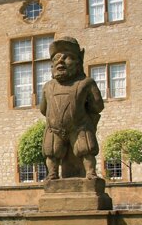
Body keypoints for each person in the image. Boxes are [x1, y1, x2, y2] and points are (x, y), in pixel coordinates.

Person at [38, 36, 105, 180]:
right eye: (56, 59)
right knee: (51, 151)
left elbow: (97, 106)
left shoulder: (85, 83)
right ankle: (52, 174)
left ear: (78, 63)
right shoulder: (49, 86)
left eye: (67, 57)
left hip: (79, 126)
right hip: (54, 129)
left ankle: (90, 173)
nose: (60, 61)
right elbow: (43, 109)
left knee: (86, 149)